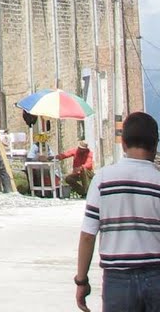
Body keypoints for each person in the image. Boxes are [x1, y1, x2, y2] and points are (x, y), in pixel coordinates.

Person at [76, 110, 160, 311]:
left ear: (123, 143)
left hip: (117, 281)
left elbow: (88, 235)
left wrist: (81, 281)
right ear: (155, 144)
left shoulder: (103, 179)